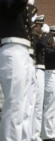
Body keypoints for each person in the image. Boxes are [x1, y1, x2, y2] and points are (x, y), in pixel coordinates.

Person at [0, 0, 36, 140]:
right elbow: (12, 7)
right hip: (12, 47)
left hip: (23, 50)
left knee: (24, 107)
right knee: (14, 104)